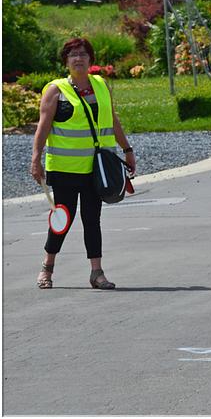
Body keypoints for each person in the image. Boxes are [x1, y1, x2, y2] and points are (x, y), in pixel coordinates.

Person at [30, 38, 136, 289]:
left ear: (90, 59)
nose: (78, 58)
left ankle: (97, 273)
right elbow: (43, 127)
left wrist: (127, 149)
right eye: (73, 55)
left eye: (83, 54)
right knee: (63, 219)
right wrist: (36, 159)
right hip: (65, 169)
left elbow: (112, 119)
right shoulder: (55, 90)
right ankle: (47, 267)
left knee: (92, 219)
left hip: (95, 169)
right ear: (66, 61)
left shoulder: (100, 85)